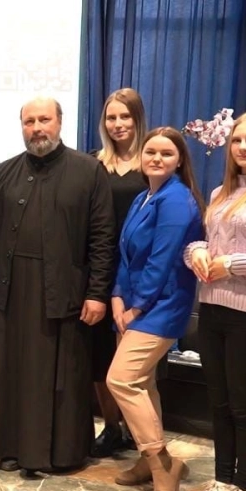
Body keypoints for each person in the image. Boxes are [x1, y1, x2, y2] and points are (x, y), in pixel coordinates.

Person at [0, 96, 116, 476]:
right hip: (12, 289)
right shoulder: (4, 172)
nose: (37, 128)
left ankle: (59, 454)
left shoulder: (89, 171)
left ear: (59, 122)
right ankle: (10, 448)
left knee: (60, 377)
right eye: (29, 121)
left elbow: (103, 238)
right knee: (13, 373)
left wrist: (97, 293)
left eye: (44, 120)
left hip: (64, 292)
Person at [106, 126, 204, 491]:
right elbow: (126, 253)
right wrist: (118, 295)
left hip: (162, 305)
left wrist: (137, 306)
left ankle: (163, 464)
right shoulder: (143, 197)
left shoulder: (176, 199)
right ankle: (147, 462)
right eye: (151, 152)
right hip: (134, 302)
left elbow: (162, 261)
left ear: (179, 160)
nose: (157, 158)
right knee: (143, 384)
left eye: (166, 153)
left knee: (122, 379)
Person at [185, 112, 246, 491]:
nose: (243, 147)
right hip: (212, 307)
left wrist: (232, 264)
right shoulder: (220, 192)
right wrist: (197, 254)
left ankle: (244, 487)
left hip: (244, 313)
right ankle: (224, 480)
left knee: (243, 405)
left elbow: (233, 258)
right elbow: (204, 241)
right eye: (238, 140)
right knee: (219, 402)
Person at [90, 88, 149, 457]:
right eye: (111, 117)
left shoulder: (152, 162)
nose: (117, 124)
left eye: (125, 116)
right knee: (100, 358)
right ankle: (112, 426)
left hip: (139, 275)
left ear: (137, 119)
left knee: (132, 360)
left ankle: (140, 433)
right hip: (100, 271)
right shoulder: (94, 165)